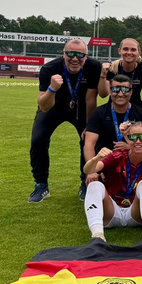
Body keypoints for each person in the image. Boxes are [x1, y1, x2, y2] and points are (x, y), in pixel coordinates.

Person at [29, 38, 101, 203]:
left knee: (88, 139)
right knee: (38, 139)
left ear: (86, 56)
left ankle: (86, 181)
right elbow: (44, 106)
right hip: (53, 107)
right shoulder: (49, 69)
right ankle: (41, 185)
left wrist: (89, 126)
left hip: (81, 108)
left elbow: (91, 99)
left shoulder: (93, 67)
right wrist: (52, 89)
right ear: (64, 54)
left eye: (80, 55)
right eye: (70, 54)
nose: (74, 58)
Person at [82, 121, 142, 241]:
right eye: (133, 137)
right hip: (112, 211)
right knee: (94, 185)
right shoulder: (117, 156)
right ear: (127, 139)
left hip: (136, 212)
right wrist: (96, 158)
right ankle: (97, 236)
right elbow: (88, 170)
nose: (138, 141)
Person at [84, 74, 142, 166]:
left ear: (131, 92)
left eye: (125, 90)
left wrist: (131, 147)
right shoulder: (99, 113)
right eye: (116, 89)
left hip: (132, 166)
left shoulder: (141, 114)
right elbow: (89, 144)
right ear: (110, 90)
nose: (120, 94)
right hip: (103, 165)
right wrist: (93, 169)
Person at [97, 38, 142, 108]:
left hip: (135, 111)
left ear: (139, 53)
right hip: (113, 110)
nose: (129, 52)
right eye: (125, 49)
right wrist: (103, 76)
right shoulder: (112, 68)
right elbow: (103, 94)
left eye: (133, 50)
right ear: (119, 51)